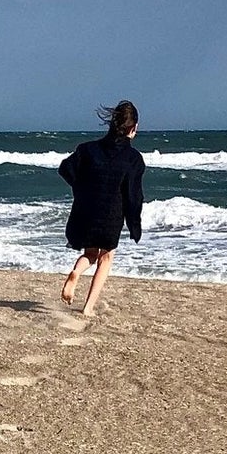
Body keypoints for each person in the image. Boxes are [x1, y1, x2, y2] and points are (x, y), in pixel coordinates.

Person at [58, 100, 145, 317]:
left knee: (90, 253)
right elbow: (134, 196)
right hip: (111, 215)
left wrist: (82, 189)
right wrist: (135, 225)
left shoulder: (88, 149)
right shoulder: (133, 158)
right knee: (105, 258)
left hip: (86, 211)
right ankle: (87, 308)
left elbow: (65, 169)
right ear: (132, 128)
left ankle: (76, 272)